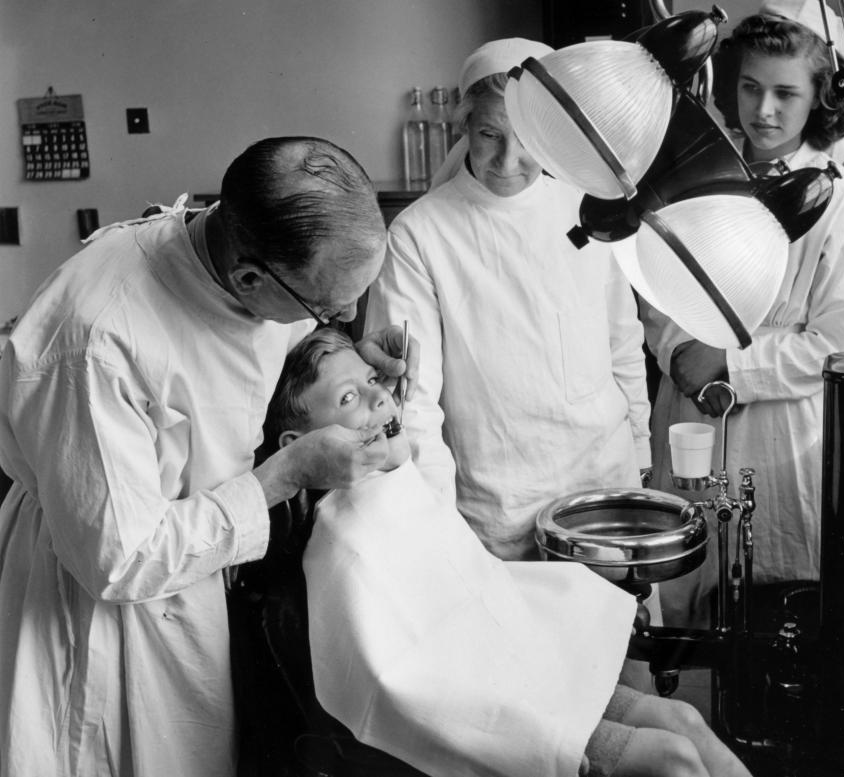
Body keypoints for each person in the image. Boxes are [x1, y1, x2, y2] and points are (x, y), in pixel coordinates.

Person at [0, 137, 417, 777]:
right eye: (328, 305)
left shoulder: (230, 256)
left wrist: (350, 347)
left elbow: (268, 342)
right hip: (111, 602)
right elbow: (117, 560)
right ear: (249, 278)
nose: (347, 312)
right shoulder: (95, 342)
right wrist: (286, 476)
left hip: (198, 558)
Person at [265, 327, 752, 777]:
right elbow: (398, 690)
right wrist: (538, 742)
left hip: (531, 684)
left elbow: (479, 602)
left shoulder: (400, 490)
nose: (378, 396)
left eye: (373, 380)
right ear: (296, 446)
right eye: (349, 398)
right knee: (672, 760)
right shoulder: (346, 546)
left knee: (684, 720)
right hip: (504, 728)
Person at [363, 38, 654, 566]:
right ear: (464, 128)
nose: (508, 160)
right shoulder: (419, 235)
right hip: (496, 506)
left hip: (605, 488)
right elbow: (413, 400)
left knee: (619, 641)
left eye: (527, 140)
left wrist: (641, 454)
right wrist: (435, 517)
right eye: (489, 135)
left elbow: (623, 347)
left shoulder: (592, 213)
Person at [639, 9, 844, 628]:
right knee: (687, 595)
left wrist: (730, 363)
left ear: (819, 99)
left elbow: (839, 342)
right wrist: (680, 353)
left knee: (771, 601)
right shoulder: (696, 173)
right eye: (751, 88)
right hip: (690, 408)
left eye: (785, 93)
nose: (764, 110)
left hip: (779, 431)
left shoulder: (840, 201)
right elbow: (652, 282)